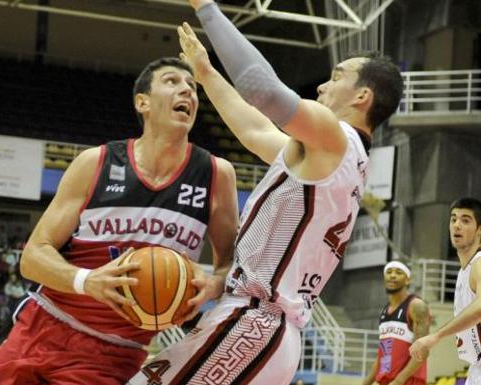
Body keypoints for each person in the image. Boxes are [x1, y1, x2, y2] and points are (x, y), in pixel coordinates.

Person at [128, 2, 403, 384]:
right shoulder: (339, 160)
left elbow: (265, 92)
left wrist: (206, 8)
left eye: (337, 76)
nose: (323, 85)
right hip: (268, 330)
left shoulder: (334, 136)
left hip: (256, 321)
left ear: (362, 97)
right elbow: (256, 131)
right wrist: (206, 74)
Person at [0, 57, 239, 385]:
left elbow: (232, 265)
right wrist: (87, 281)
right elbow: (32, 258)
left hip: (115, 354)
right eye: (172, 81)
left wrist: (213, 284)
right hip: (43, 325)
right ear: (142, 102)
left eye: (193, 87)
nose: (187, 89)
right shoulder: (95, 163)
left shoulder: (215, 174)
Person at [410, 198, 481, 385]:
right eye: (453, 219)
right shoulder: (463, 271)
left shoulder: (479, 264)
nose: (457, 225)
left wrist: (436, 336)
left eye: (466, 220)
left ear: (480, 230)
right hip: (476, 369)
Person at [363, 261, 429, 385]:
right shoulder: (384, 311)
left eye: (398, 272)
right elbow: (381, 355)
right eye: (389, 272)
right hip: (386, 380)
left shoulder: (416, 305)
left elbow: (422, 351)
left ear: (407, 280)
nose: (392, 275)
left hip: (408, 381)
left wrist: (398, 381)